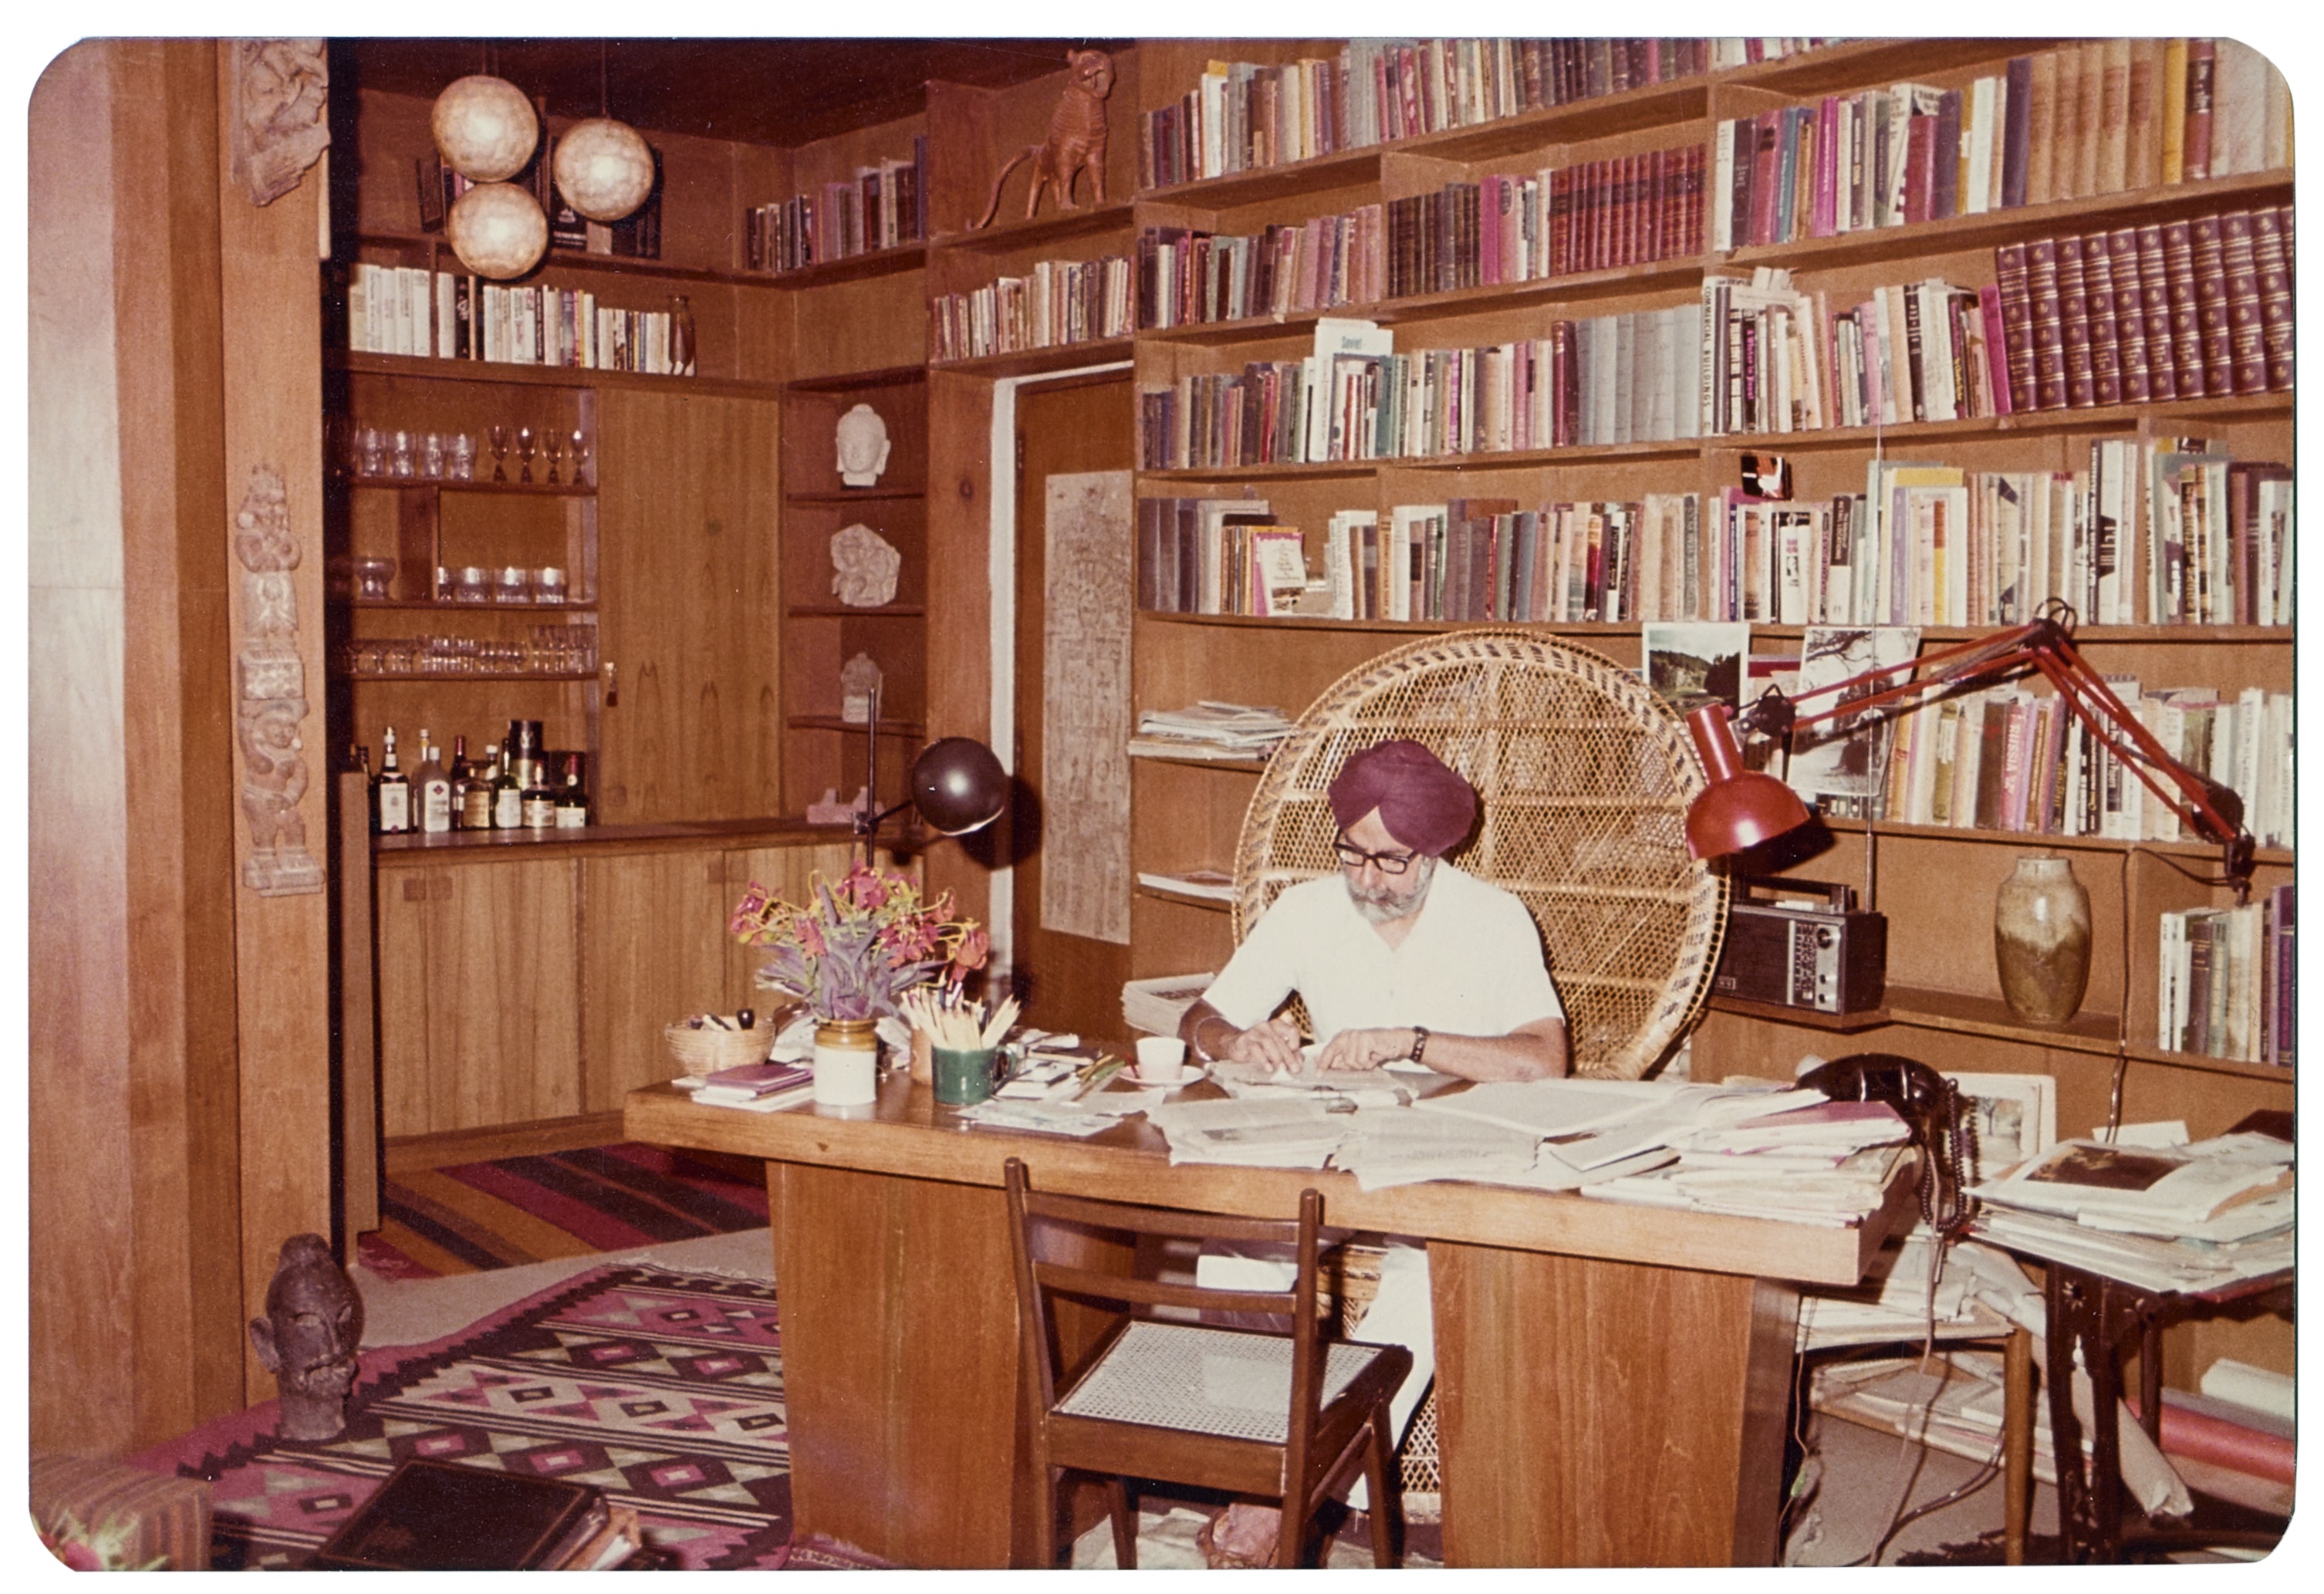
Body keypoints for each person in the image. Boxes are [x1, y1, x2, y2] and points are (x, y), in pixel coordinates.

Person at [1174, 739, 1567, 1565]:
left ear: (1437, 849)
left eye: (1391, 861)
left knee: (1425, 1283)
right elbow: (1199, 1020)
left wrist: (1415, 1039)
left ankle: (1301, 1492)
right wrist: (1238, 1038)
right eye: (1353, 852)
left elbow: (1543, 1058)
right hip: (1322, 1143)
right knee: (1236, 1250)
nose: (1367, 879)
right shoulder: (1308, 909)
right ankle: (1258, 1474)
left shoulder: (1493, 917)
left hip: (1445, 1155)